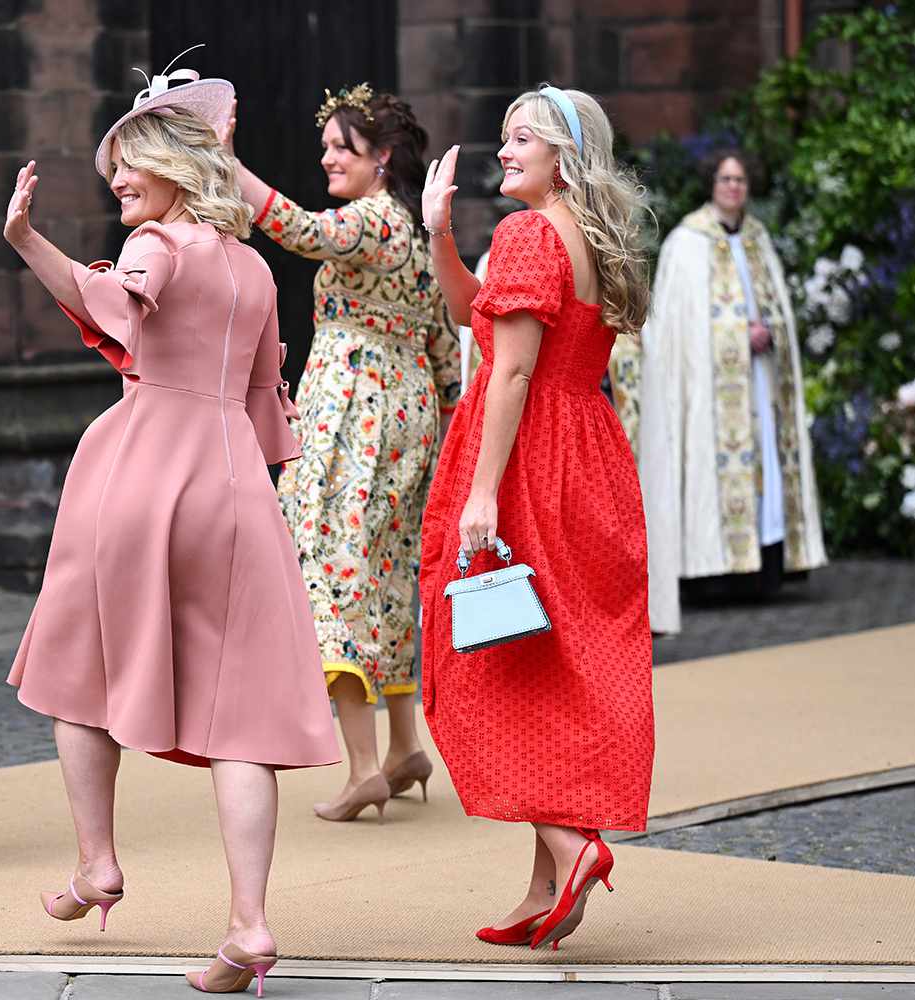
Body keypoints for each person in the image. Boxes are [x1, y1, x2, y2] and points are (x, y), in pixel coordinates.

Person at [3, 58, 339, 995]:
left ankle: (97, 863)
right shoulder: (255, 269)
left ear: (174, 171)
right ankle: (250, 925)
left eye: (129, 164)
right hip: (236, 482)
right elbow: (271, 400)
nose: (116, 180)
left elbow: (115, 299)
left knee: (78, 669)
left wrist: (27, 240)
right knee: (243, 721)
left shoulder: (160, 243)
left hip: (143, 467)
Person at [418, 85, 655, 951]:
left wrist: (482, 492)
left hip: (528, 461)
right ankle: (544, 881)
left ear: (563, 156)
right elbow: (472, 313)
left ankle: (568, 845)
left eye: (523, 138)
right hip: (589, 456)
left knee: (481, 663)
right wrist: (439, 231)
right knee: (549, 668)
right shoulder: (580, 235)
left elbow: (510, 372)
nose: (504, 147)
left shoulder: (527, 233)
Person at [220, 84, 464, 822]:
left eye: (341, 147)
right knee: (384, 568)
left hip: (354, 410)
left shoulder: (370, 222)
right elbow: (445, 353)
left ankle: (362, 767)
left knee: (327, 564)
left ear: (381, 158)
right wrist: (446, 430)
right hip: (408, 410)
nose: (326, 156)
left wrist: (227, 162)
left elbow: (298, 230)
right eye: (325, 144)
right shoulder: (413, 237)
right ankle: (402, 747)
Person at [612, 149, 827, 634]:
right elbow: (676, 331)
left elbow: (778, 311)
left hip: (758, 384)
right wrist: (736, 336)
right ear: (712, 183)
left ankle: (764, 567)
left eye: (741, 180)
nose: (734, 187)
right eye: (726, 179)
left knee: (766, 470)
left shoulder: (757, 240)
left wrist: (768, 330)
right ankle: (712, 574)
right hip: (708, 393)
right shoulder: (687, 243)